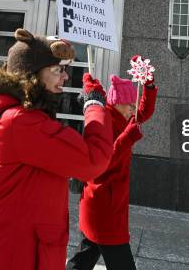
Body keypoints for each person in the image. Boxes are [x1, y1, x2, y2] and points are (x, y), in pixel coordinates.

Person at [0, 28, 114, 270]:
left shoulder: (22, 117)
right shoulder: (21, 122)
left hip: (13, 250)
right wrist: (95, 106)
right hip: (9, 255)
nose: (64, 77)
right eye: (57, 70)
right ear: (32, 75)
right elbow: (93, 161)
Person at [67, 67, 158, 270]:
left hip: (105, 202)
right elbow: (103, 161)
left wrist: (148, 85)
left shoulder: (122, 116)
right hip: (103, 203)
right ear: (117, 104)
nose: (132, 110)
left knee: (84, 256)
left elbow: (143, 111)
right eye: (129, 105)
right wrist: (128, 137)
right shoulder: (104, 120)